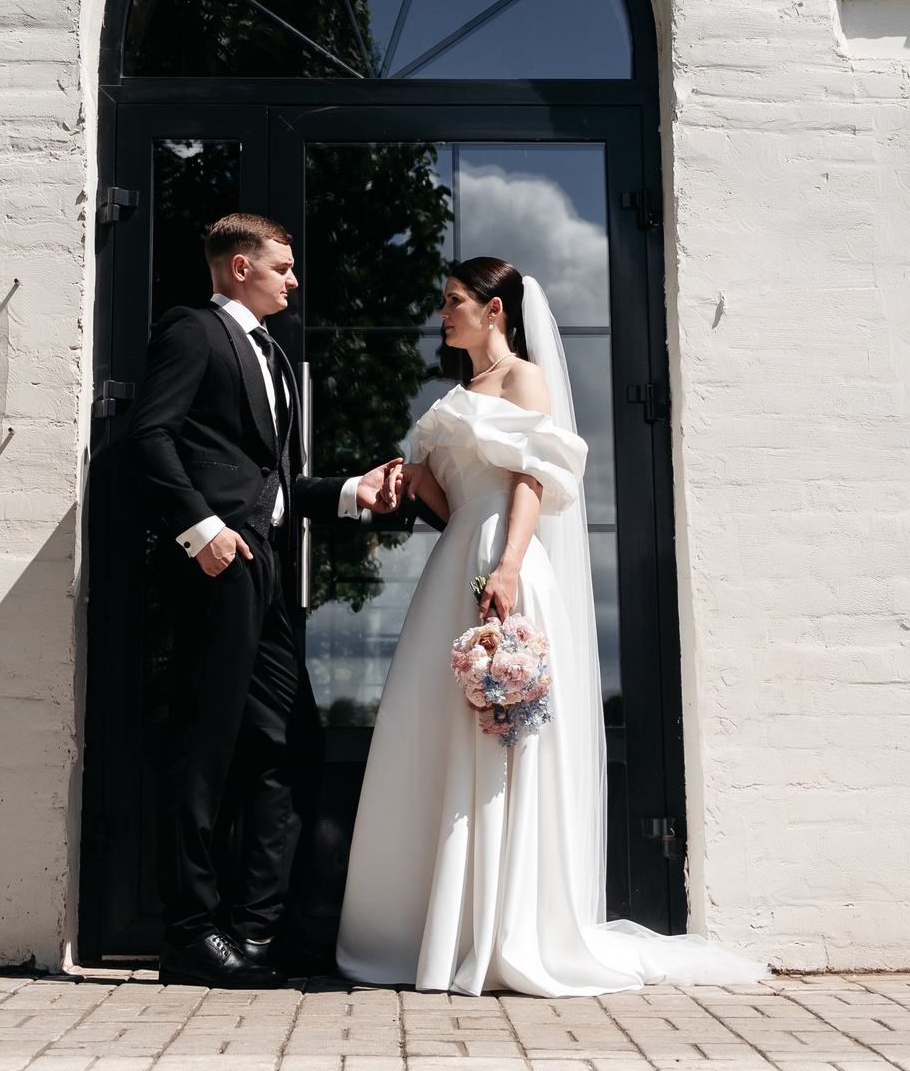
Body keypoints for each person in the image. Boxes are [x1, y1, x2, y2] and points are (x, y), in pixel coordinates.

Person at [335, 256, 766, 996]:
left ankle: (507, 930)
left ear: (494, 310)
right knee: (440, 728)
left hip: (503, 555)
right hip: (454, 560)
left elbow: (532, 477)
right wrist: (412, 474)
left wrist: (508, 565)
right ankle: (447, 929)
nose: (443, 313)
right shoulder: (455, 395)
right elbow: (447, 504)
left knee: (501, 733)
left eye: (454, 300)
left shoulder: (524, 379)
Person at [132, 213, 404, 989]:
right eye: (282, 266)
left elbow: (277, 484)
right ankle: (189, 934)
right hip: (219, 569)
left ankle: (256, 931)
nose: (294, 279)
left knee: (291, 746)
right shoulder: (193, 330)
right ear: (240, 266)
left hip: (270, 576)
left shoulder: (277, 356)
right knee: (203, 751)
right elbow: (149, 436)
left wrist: (353, 493)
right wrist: (202, 531)